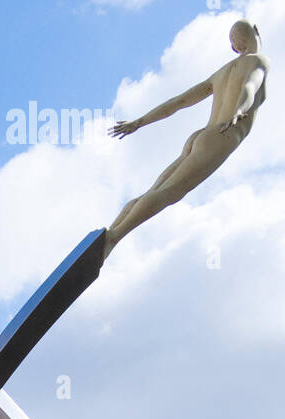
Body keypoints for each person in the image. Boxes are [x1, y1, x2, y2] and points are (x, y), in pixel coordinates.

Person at [104, 21, 268, 259]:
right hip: (223, 133)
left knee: (155, 190)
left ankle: (111, 230)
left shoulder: (220, 73)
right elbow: (250, 85)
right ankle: (113, 238)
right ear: (257, 30)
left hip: (199, 136)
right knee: (170, 192)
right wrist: (237, 110)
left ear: (234, 48)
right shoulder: (259, 60)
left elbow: (178, 102)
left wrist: (139, 121)